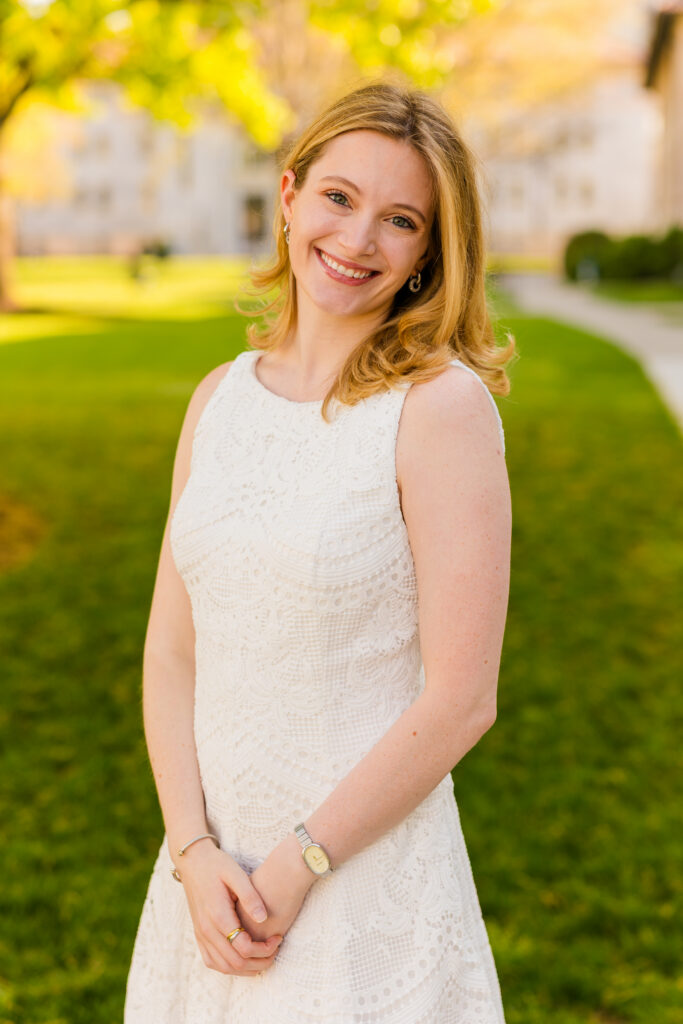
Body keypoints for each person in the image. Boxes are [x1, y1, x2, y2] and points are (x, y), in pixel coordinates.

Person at [124, 79, 515, 1023]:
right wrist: (192, 854)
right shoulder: (216, 399)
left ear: (430, 251)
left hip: (360, 891)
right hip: (207, 889)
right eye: (339, 198)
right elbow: (171, 652)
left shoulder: (440, 409)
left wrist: (301, 864)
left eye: (400, 220)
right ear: (291, 195)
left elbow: (461, 700)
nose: (356, 240)